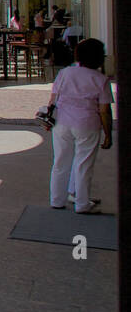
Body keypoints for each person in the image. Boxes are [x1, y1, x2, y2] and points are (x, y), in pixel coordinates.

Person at [46, 38, 114, 215]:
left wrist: (48, 118)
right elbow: (104, 110)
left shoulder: (66, 73)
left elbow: (53, 98)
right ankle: (82, 203)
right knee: (83, 164)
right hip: (87, 124)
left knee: (60, 162)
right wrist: (108, 134)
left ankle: (56, 200)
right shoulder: (101, 79)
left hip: (61, 122)